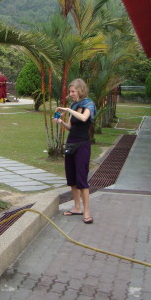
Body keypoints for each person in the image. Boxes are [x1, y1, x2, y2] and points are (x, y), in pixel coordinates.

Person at [54, 78, 96, 224]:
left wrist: (68, 109)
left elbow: (84, 118)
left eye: (73, 91)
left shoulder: (88, 104)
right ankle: (77, 207)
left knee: (82, 179)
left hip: (82, 145)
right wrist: (61, 122)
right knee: (71, 178)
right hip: (71, 144)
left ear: (80, 90)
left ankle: (86, 212)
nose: (70, 94)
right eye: (70, 91)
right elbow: (71, 127)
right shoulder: (74, 105)